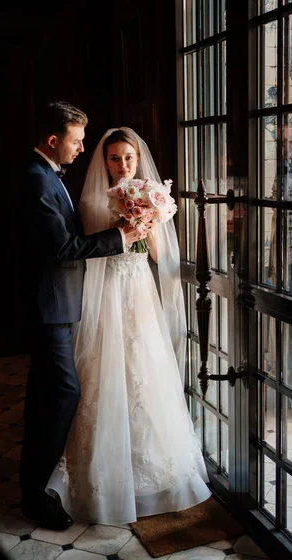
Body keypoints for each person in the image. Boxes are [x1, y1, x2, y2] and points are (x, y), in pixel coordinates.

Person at [46, 127, 212, 526]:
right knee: (101, 376)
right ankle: (99, 475)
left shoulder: (151, 194)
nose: (122, 165)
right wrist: (118, 230)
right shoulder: (88, 199)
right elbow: (81, 254)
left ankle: (154, 472)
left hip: (138, 294)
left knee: (145, 374)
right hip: (104, 296)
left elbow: (158, 257)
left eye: (129, 158)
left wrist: (146, 219)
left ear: (139, 161)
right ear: (105, 161)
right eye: (115, 158)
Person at [18, 103, 149, 531]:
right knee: (63, 395)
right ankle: (36, 496)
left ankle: (30, 484)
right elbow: (63, 248)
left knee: (45, 397)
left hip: (58, 305)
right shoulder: (38, 180)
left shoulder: (47, 177)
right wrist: (120, 236)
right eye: (76, 141)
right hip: (49, 308)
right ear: (54, 141)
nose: (81, 149)